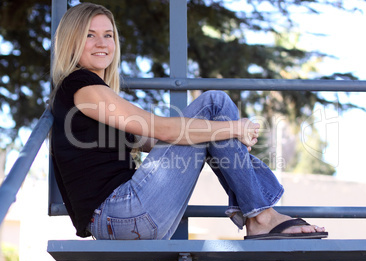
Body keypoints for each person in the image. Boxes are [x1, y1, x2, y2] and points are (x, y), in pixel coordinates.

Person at [50, 2, 327, 241]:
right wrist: (233, 129)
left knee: (209, 125)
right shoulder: (81, 86)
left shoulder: (93, 93)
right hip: (121, 214)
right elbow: (163, 130)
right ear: (72, 41)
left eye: (108, 35)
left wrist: (221, 134)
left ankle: (261, 214)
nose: (102, 43)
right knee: (214, 103)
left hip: (126, 218)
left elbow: (155, 140)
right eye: (90, 35)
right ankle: (262, 215)